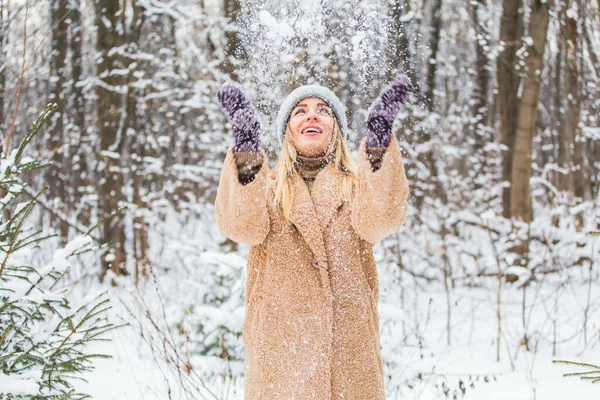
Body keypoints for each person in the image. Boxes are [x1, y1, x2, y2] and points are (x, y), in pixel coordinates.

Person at [215, 76, 412, 400]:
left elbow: (382, 219)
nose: (312, 115)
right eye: (300, 111)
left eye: (323, 110)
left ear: (335, 128)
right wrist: (246, 150)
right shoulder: (267, 188)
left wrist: (378, 143)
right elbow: (240, 227)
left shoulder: (356, 188)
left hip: (348, 365)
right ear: (288, 130)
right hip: (280, 365)